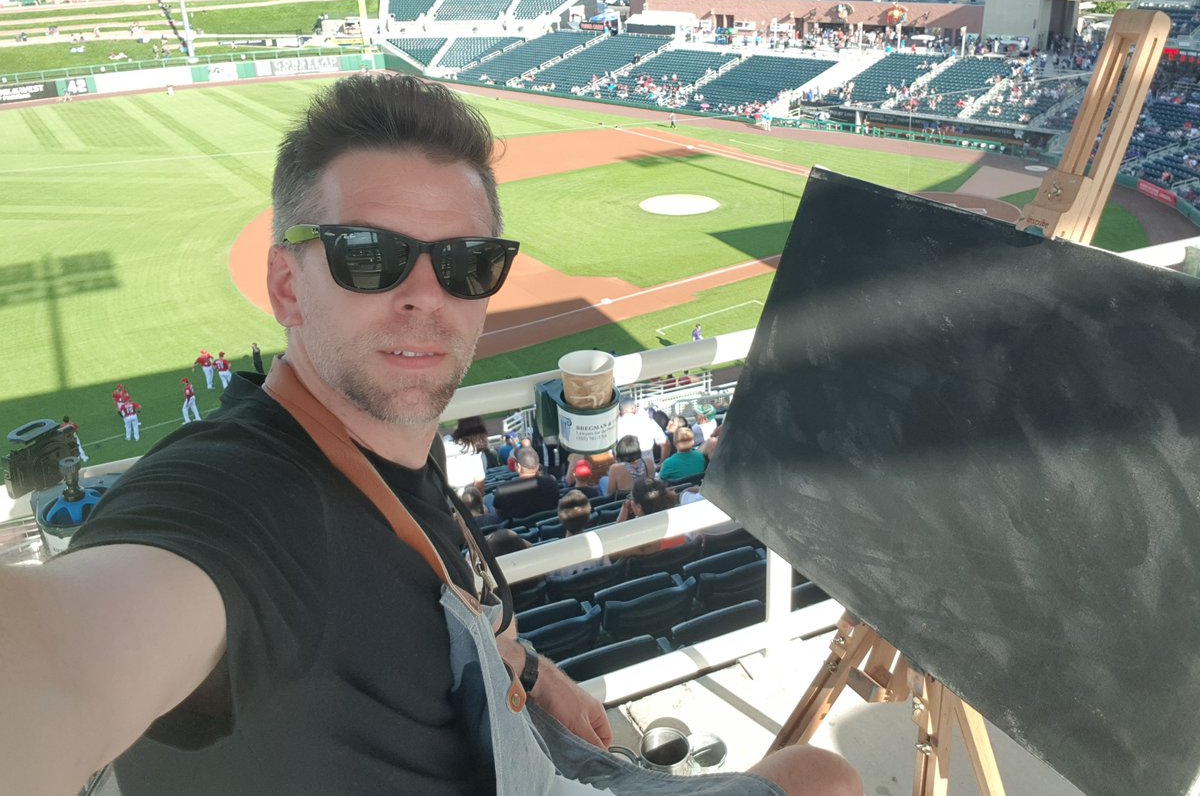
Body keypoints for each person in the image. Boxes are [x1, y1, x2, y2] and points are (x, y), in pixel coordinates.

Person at [0, 74, 860, 796]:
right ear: (287, 286)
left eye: (466, 263)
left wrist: (536, 676)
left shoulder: (392, 448)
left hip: (520, 752)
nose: (425, 295)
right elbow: (59, 662)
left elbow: (448, 600)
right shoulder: (239, 505)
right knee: (822, 778)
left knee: (823, 771)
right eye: (367, 256)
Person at [493, 445, 563, 521]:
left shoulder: (503, 490)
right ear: (538, 466)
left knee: (487, 498)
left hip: (517, 531)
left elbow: (499, 513)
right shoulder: (551, 481)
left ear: (518, 466)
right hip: (550, 525)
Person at [442, 415, 490, 494]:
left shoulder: (446, 440)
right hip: (465, 497)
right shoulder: (476, 450)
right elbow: (479, 484)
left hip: (449, 495)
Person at [614, 397, 666, 466]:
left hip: (625, 471)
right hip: (648, 470)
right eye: (636, 406)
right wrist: (661, 463)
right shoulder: (646, 420)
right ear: (633, 408)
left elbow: (611, 453)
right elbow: (665, 444)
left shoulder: (614, 425)